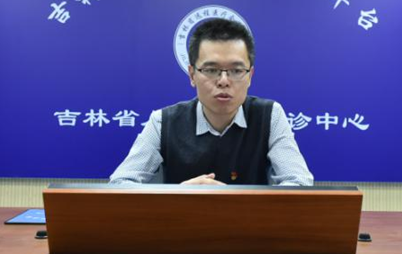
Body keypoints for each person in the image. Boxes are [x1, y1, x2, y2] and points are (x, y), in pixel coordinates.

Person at [110, 18, 313, 186]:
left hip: (249, 221)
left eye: (236, 70)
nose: (223, 81)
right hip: (180, 221)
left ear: (250, 76)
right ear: (192, 75)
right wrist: (179, 194)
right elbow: (120, 184)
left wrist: (237, 202)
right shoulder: (163, 121)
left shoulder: (270, 116)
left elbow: (299, 183)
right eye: (211, 70)